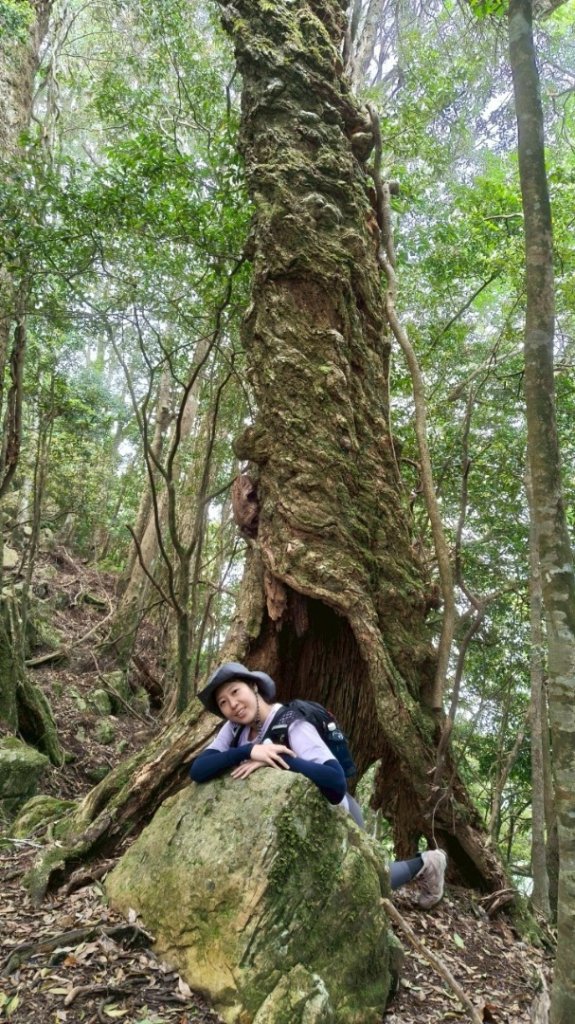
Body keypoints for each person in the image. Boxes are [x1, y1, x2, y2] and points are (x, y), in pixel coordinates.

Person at [190, 661, 447, 909]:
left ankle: (429, 862)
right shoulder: (235, 729)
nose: (232, 705)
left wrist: (276, 761)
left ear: (254, 687)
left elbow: (335, 781)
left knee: (374, 880)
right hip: (297, 825)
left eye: (236, 692)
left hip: (338, 814)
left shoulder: (293, 722)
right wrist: (249, 751)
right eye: (223, 702)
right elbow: (198, 770)